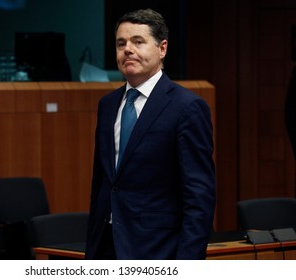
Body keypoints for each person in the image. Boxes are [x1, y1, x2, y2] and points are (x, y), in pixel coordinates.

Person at [85, 8, 216, 260]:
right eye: (121, 43)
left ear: (162, 48)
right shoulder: (108, 104)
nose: (127, 50)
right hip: (106, 246)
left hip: (158, 249)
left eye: (138, 41)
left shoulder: (186, 107)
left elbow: (199, 196)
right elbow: (102, 183)